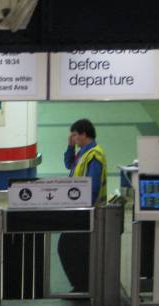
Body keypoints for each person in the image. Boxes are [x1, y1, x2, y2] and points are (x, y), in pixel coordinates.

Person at [57, 118, 107, 293]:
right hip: (79, 209)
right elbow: (68, 164)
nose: (73, 138)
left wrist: (82, 210)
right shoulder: (84, 153)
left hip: (86, 211)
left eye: (75, 135)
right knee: (75, 248)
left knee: (67, 247)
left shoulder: (94, 155)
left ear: (84, 134)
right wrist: (70, 147)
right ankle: (82, 284)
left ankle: (82, 285)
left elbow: (92, 187)